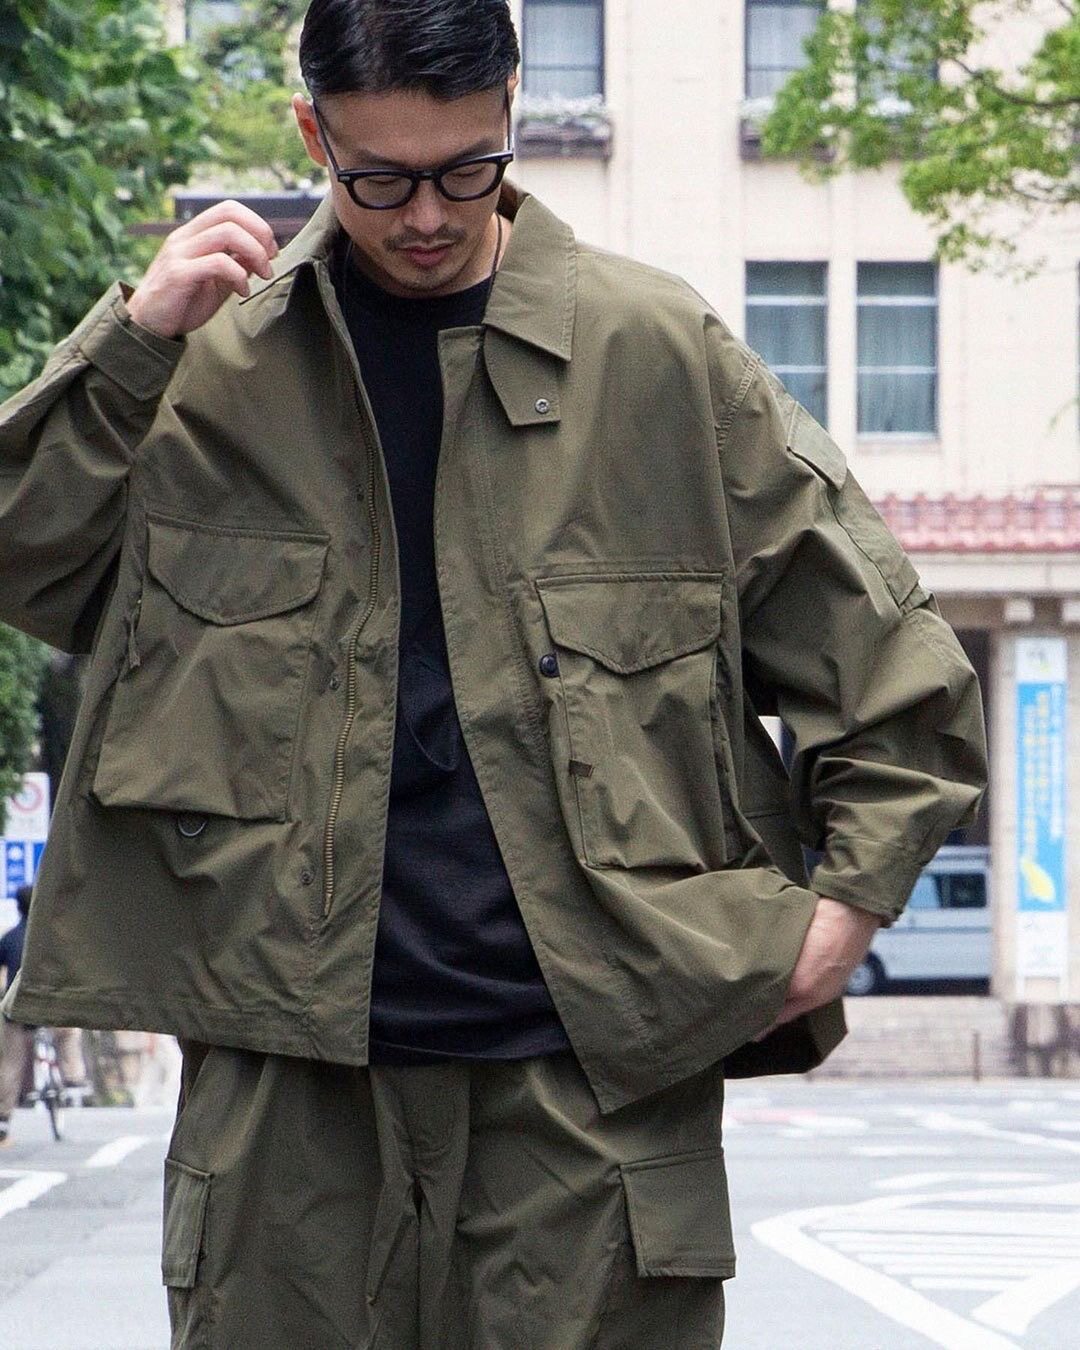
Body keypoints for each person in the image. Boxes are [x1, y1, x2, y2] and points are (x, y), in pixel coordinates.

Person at [0, 0, 986, 1343]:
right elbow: (28, 560)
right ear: (313, 136)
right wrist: (127, 347)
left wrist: (846, 914)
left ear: (513, 111)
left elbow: (893, 665)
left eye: (468, 167)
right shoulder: (208, 362)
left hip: (589, 1103)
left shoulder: (657, 355)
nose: (427, 215)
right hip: (288, 1107)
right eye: (380, 178)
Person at [0, 886, 89, 1144]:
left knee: (10, 1063)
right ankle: (73, 1080)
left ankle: (3, 1118)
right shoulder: (52, 937)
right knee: (68, 1035)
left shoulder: (10, 938)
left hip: (19, 1009)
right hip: (51, 1007)